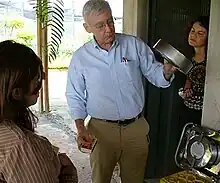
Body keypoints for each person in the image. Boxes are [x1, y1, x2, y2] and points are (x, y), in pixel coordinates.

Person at [66, 1, 176, 183]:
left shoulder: (133, 45)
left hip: (135, 128)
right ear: (87, 28)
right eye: (100, 25)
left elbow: (154, 73)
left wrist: (165, 72)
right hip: (101, 131)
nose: (108, 29)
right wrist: (80, 128)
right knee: (100, 179)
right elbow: (75, 95)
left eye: (110, 21)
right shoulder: (80, 58)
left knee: (135, 179)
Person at [0, 40, 78, 183]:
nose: (42, 80)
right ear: (17, 93)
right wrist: (69, 176)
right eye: (37, 79)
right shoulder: (20, 146)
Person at [179, 16, 209, 126]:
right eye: (192, 31)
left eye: (200, 33)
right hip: (187, 113)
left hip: (208, 116)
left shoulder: (214, 61)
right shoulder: (184, 58)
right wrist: (183, 92)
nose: (193, 35)